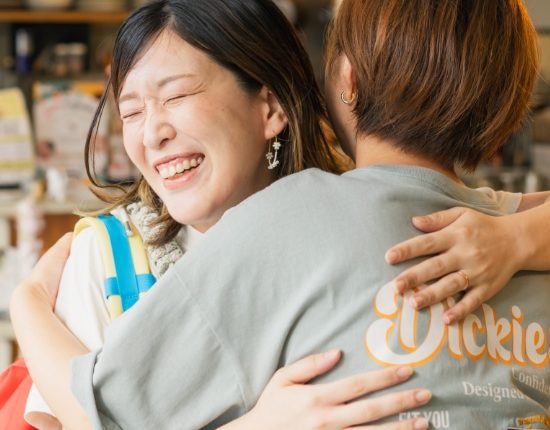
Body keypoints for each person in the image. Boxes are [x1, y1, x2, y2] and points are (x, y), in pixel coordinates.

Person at [10, 0, 550, 428]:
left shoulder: (296, 216)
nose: (153, 132)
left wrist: (27, 304)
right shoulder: (505, 232)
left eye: (177, 95)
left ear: (345, 81)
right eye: (130, 111)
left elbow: (96, 413)